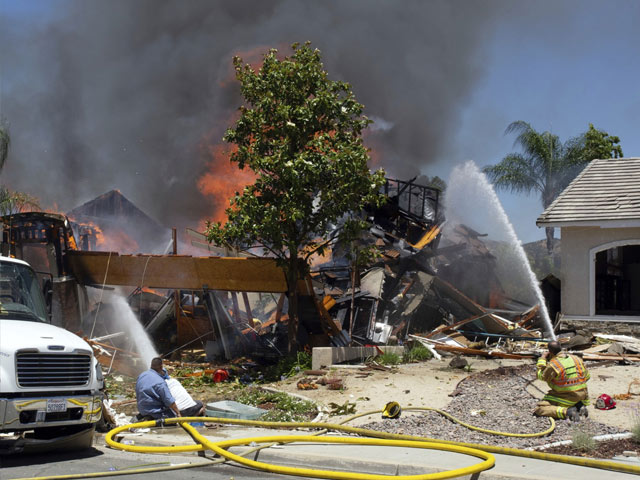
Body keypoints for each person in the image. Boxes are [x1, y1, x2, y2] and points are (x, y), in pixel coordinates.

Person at [534, 340, 590, 421]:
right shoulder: (577, 359)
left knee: (540, 409)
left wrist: (542, 359)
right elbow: (587, 377)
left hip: (566, 397)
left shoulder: (554, 364)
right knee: (571, 397)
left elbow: (541, 376)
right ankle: (579, 406)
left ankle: (567, 412)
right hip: (582, 395)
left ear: (550, 352)